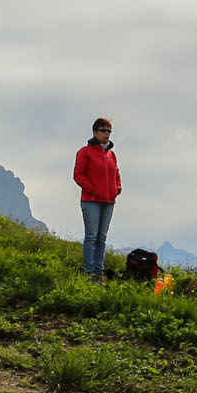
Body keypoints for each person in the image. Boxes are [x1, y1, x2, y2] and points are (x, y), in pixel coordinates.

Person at [73, 117, 121, 282]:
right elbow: (78, 175)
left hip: (109, 201)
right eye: (103, 130)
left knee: (102, 237)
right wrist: (92, 189)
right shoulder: (84, 152)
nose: (106, 134)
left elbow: (117, 174)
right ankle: (89, 273)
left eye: (109, 131)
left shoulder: (111, 155)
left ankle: (99, 273)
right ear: (95, 132)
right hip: (91, 200)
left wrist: (117, 189)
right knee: (91, 237)